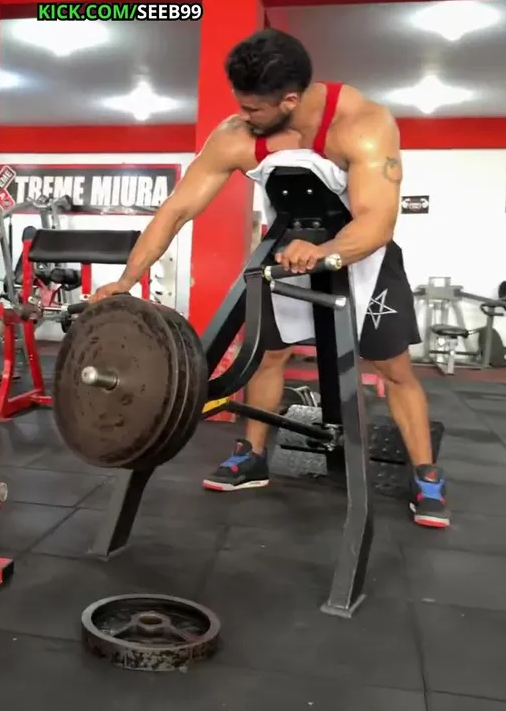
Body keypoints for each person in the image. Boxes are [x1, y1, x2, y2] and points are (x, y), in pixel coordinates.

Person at [90, 29, 450, 529]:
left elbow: (376, 222)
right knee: (265, 355)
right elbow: (176, 210)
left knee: (393, 368)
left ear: (290, 100)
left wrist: (324, 252)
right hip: (287, 252)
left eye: (254, 108)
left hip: (362, 255)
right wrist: (127, 279)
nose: (244, 116)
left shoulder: (362, 124)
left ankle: (426, 473)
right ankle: (251, 455)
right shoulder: (237, 136)